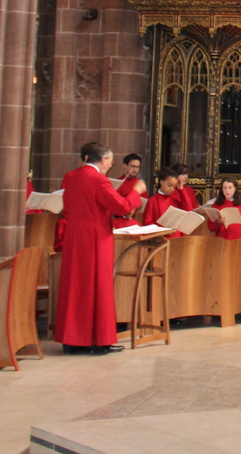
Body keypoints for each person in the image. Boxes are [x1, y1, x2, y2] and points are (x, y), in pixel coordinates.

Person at [53, 142, 146, 355]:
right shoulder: (98, 180)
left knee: (75, 287)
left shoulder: (72, 176)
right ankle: (97, 340)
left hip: (75, 237)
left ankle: (72, 340)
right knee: (98, 287)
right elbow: (121, 207)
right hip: (95, 239)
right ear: (103, 160)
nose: (109, 166)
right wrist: (136, 191)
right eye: (110, 163)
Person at [142, 167, 184, 237]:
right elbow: (147, 223)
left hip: (176, 236)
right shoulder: (153, 200)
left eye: (174, 187)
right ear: (161, 182)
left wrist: (181, 190)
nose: (171, 189)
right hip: (161, 237)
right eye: (169, 185)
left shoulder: (175, 198)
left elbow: (188, 210)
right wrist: (163, 231)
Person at [110, 153, 143, 229]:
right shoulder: (118, 183)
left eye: (137, 167)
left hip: (137, 220)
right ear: (124, 166)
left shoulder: (139, 184)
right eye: (132, 166)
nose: (135, 169)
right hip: (121, 220)